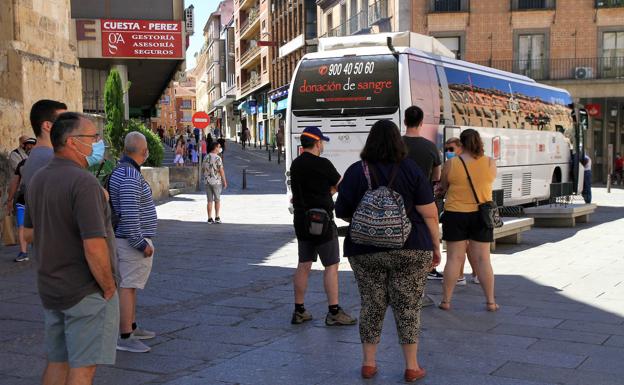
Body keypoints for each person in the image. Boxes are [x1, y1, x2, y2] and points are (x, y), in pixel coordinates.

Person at [335, 120, 441, 382]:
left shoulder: (356, 171)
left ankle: (369, 364)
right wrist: (436, 247)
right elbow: (429, 213)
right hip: (412, 247)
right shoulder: (411, 169)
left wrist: (371, 219)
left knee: (371, 304)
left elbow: (342, 212)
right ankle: (412, 366)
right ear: (398, 142)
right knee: (408, 306)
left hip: (364, 249)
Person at [24, 112, 118, 385]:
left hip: (51, 286)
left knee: (57, 362)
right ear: (73, 142)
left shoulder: (39, 178)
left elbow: (27, 233)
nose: (98, 142)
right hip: (85, 289)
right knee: (83, 369)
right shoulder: (84, 182)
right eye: (93, 137)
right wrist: (108, 286)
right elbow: (94, 245)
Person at [289, 126, 357, 326]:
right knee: (331, 266)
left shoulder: (296, 165)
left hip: (301, 220)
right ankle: (334, 312)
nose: (323, 145)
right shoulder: (323, 163)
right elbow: (340, 184)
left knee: (304, 264)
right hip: (322, 221)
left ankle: (299, 310)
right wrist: (329, 193)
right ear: (317, 142)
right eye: (322, 141)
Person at [438, 129, 499, 312]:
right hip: (481, 215)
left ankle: (446, 301)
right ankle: (490, 302)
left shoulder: (451, 164)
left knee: (454, 259)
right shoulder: (490, 162)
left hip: (455, 214)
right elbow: (489, 182)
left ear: (461, 143)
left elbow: (443, 187)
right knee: (483, 259)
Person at [108, 132, 158, 353]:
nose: (147, 151)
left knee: (131, 286)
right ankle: (125, 336)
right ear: (142, 150)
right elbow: (129, 213)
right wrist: (140, 243)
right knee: (128, 287)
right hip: (130, 243)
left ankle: (132, 326)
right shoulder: (129, 175)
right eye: (146, 147)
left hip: (127, 240)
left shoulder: (124, 170)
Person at [401, 106, 444, 282]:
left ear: (405, 122)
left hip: (397, 201)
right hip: (423, 201)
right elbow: (437, 176)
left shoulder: (396, 145)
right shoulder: (430, 147)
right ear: (421, 123)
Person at [442, 137, 479, 286]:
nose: (448, 152)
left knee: (460, 245)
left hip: (456, 209)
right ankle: (474, 274)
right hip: (474, 209)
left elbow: (443, 186)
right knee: (468, 245)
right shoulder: (475, 162)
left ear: (460, 148)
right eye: (446, 149)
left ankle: (460, 275)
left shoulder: (450, 164)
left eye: (451, 149)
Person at [19, 100, 67, 201]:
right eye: (64, 122)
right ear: (47, 126)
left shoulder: (35, 156)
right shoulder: (53, 160)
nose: (69, 127)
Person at [5, 139, 35, 262]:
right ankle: (24, 252)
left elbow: (15, 183)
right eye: (29, 146)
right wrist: (10, 199)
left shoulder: (23, 164)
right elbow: (15, 183)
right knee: (23, 225)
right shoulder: (22, 164)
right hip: (28, 199)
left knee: (23, 225)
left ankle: (24, 252)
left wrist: (10, 199)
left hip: (27, 198)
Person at [202, 142, 228, 223]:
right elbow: (221, 170)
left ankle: (209, 218)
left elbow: (203, 169)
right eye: (219, 147)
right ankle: (217, 217)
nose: (220, 148)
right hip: (216, 182)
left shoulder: (206, 157)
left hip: (207, 181)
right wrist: (224, 181)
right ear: (215, 148)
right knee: (217, 200)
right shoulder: (218, 158)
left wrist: (206, 176)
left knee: (209, 201)